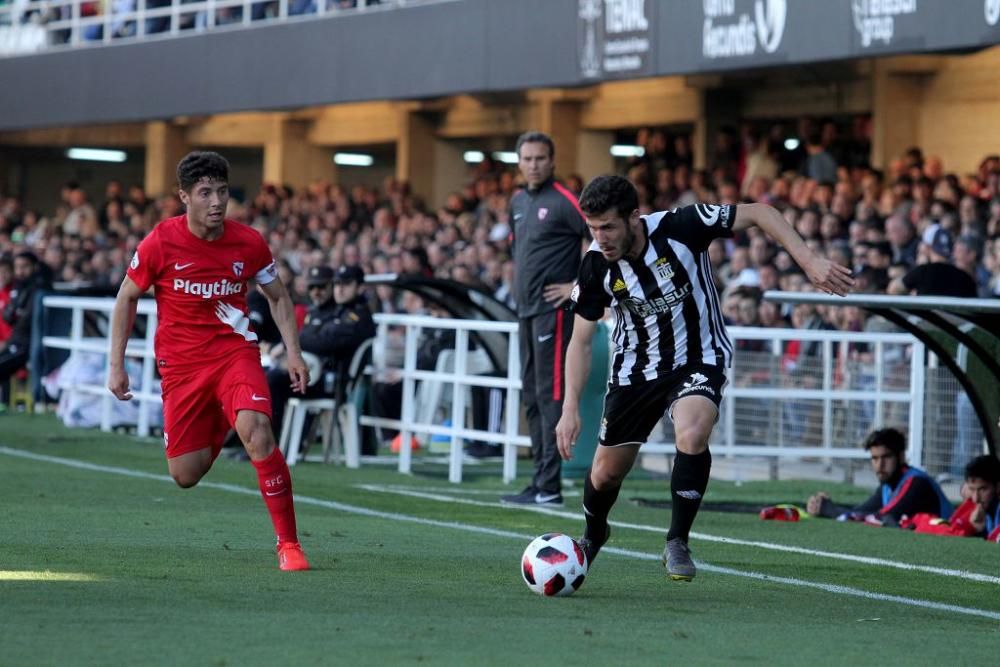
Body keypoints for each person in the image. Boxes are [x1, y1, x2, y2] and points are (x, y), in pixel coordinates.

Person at [555, 174, 853, 581]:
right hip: (636, 370)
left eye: (608, 226)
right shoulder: (594, 266)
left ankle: (677, 539)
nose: (600, 237)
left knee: (693, 432)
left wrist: (809, 261)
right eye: (593, 228)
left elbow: (762, 213)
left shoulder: (681, 226)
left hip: (699, 356)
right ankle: (593, 535)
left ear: (634, 218)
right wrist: (570, 407)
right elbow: (581, 342)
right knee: (605, 473)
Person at [107, 151, 310, 572]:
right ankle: (223, 417)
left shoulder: (249, 242)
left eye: (222, 192)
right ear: (184, 196)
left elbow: (279, 297)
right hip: (182, 368)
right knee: (185, 474)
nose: (217, 201)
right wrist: (116, 364)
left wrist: (294, 352)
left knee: (257, 431)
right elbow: (126, 296)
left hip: (234, 354)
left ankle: (289, 545)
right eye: (205, 193)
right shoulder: (161, 242)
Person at [502, 131, 589, 507]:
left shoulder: (566, 200)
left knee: (551, 395)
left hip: (553, 314)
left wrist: (577, 287)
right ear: (519, 163)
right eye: (527, 159)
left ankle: (550, 485)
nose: (533, 164)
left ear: (552, 161)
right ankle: (539, 480)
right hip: (525, 311)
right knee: (532, 397)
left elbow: (600, 239)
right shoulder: (517, 201)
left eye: (540, 158)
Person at [267, 264, 375, 442]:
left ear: (360, 287)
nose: (340, 289)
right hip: (318, 377)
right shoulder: (339, 311)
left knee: (275, 380)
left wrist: (292, 343)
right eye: (338, 283)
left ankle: (270, 444)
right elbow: (312, 337)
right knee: (270, 377)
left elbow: (324, 343)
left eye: (346, 284)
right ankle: (264, 442)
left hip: (333, 384)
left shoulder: (357, 316)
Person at [806, 427, 953, 526]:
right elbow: (860, 510)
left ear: (901, 457)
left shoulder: (916, 483)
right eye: (875, 458)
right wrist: (826, 504)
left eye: (886, 457)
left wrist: (828, 509)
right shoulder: (888, 484)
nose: (880, 465)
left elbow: (882, 518)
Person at [0, 251, 50, 407]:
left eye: (25, 267)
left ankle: (5, 404)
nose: (20, 271)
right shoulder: (19, 287)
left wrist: (16, 312)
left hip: (25, 344)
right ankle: (4, 403)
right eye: (17, 267)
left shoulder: (39, 286)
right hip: (14, 341)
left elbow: (24, 320)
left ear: (35, 267)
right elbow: (8, 316)